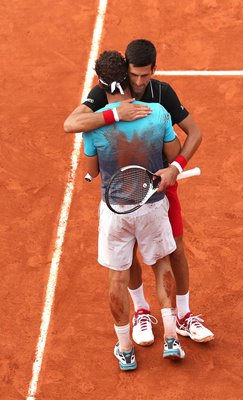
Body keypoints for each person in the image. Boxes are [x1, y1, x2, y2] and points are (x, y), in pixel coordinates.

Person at [64, 39, 214, 345]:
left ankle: (183, 316)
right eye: (135, 75)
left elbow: (195, 133)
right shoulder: (108, 92)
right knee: (128, 253)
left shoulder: (163, 94)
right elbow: (72, 123)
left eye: (146, 75)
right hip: (126, 187)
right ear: (125, 72)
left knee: (176, 249)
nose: (140, 81)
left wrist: (176, 168)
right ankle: (141, 310)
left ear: (154, 70)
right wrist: (115, 114)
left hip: (161, 185)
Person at [83, 50, 185, 370]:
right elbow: (174, 154)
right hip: (153, 204)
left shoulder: (94, 127)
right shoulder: (157, 113)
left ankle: (125, 348)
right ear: (128, 77)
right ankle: (171, 337)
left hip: (115, 212)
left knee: (117, 277)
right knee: (162, 264)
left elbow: (93, 170)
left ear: (101, 83)